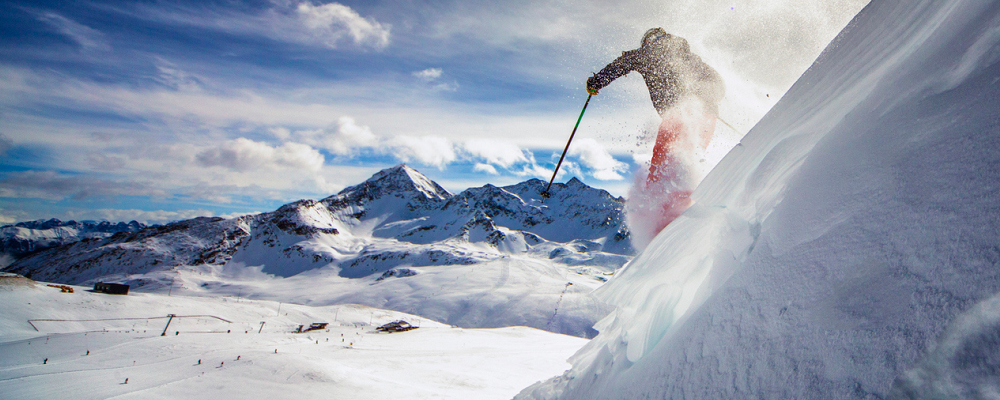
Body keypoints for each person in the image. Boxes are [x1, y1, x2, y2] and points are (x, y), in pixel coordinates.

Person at [586, 28, 724, 241]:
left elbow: (622, 63)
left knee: (664, 160)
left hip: (680, 114)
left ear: (650, 41)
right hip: (706, 117)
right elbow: (717, 83)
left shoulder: (648, 53)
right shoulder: (688, 55)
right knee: (687, 159)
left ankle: (660, 221)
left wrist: (597, 82)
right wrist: (706, 98)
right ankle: (684, 209)